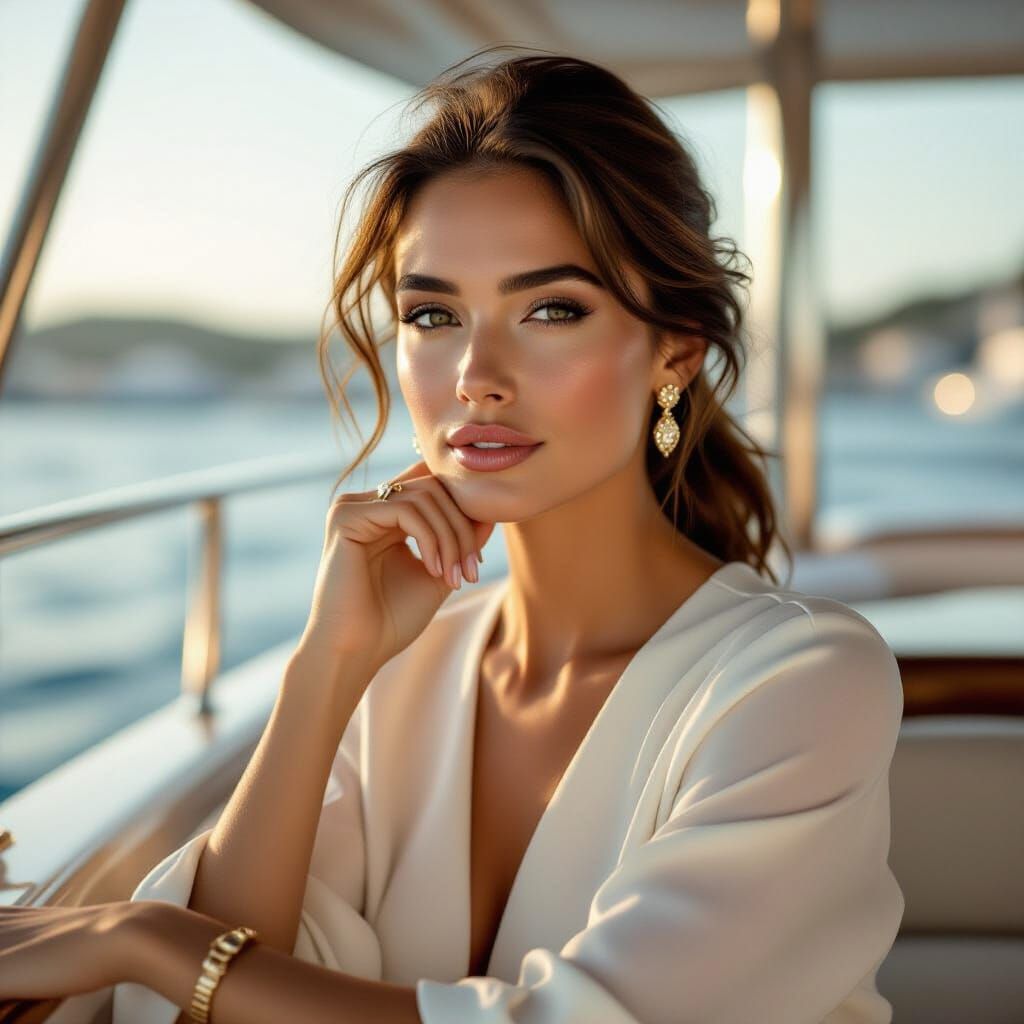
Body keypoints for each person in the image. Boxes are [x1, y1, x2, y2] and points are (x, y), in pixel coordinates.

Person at [0, 46, 904, 1024]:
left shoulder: (806, 678)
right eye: (432, 313)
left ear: (673, 351)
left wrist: (142, 934)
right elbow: (195, 1009)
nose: (475, 371)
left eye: (551, 308)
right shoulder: (407, 666)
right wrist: (326, 666)